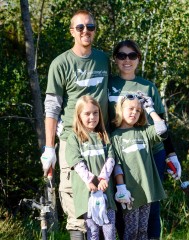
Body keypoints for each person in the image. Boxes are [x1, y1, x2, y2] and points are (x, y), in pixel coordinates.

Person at [40, 10, 111, 239]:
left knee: (103, 203)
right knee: (74, 201)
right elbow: (52, 107)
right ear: (72, 31)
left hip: (102, 140)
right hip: (73, 141)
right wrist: (49, 149)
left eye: (90, 27)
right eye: (80, 27)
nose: (85, 31)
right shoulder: (60, 63)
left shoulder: (103, 59)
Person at [108, 39, 182, 239]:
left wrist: (171, 154)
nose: (127, 60)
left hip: (151, 153)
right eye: (122, 55)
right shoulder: (108, 84)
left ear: (138, 59)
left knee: (152, 207)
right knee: (123, 206)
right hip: (119, 152)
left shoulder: (147, 87)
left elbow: (161, 123)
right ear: (115, 59)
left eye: (132, 56)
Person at [111, 92, 167, 240]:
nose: (134, 113)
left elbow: (162, 129)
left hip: (146, 190)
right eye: (130, 109)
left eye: (138, 110)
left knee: (143, 230)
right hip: (129, 193)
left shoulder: (144, 132)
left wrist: (150, 109)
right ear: (120, 109)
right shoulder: (115, 136)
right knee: (131, 231)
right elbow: (115, 164)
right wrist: (121, 187)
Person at [65, 95, 116, 239]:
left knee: (109, 231)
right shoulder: (74, 138)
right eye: (87, 113)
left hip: (106, 193)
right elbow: (76, 162)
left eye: (95, 112)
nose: (92, 117)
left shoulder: (104, 136)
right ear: (79, 116)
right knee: (93, 232)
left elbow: (111, 158)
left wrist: (103, 178)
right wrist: (91, 181)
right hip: (88, 195)